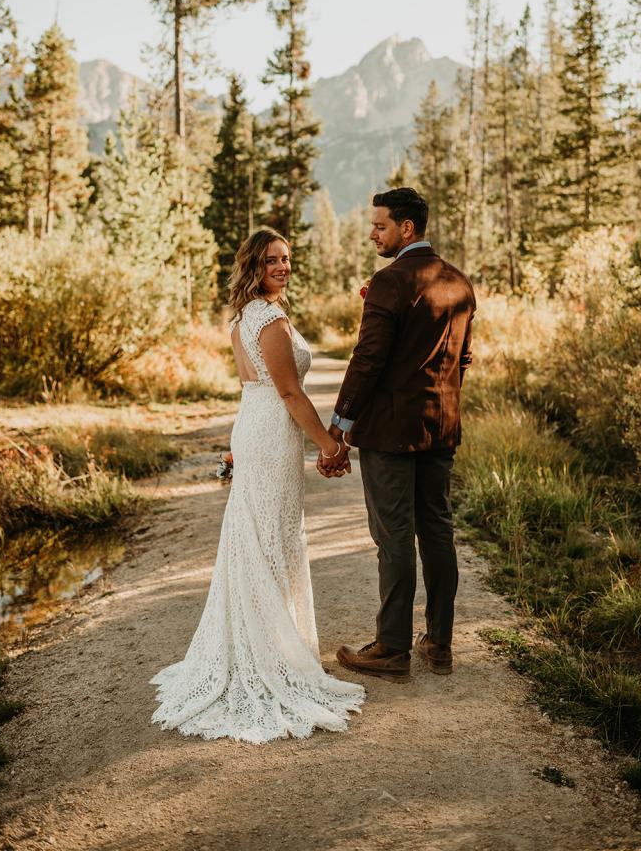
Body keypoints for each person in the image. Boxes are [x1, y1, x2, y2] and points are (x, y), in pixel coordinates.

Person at [150, 228, 365, 743]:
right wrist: (328, 445)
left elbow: (257, 385)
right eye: (272, 260)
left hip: (255, 426)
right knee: (270, 538)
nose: (282, 266)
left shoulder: (244, 316)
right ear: (254, 265)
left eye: (286, 258)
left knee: (260, 536)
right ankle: (270, 653)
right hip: (270, 433)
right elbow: (288, 393)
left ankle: (267, 640)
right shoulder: (268, 319)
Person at [318, 187, 476, 682]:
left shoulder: (389, 282)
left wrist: (340, 425)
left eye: (379, 225)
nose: (372, 234)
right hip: (441, 429)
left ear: (406, 228)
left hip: (390, 433)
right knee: (437, 531)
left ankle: (391, 647)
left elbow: (368, 360)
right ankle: (439, 643)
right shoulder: (459, 282)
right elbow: (462, 360)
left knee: (394, 538)